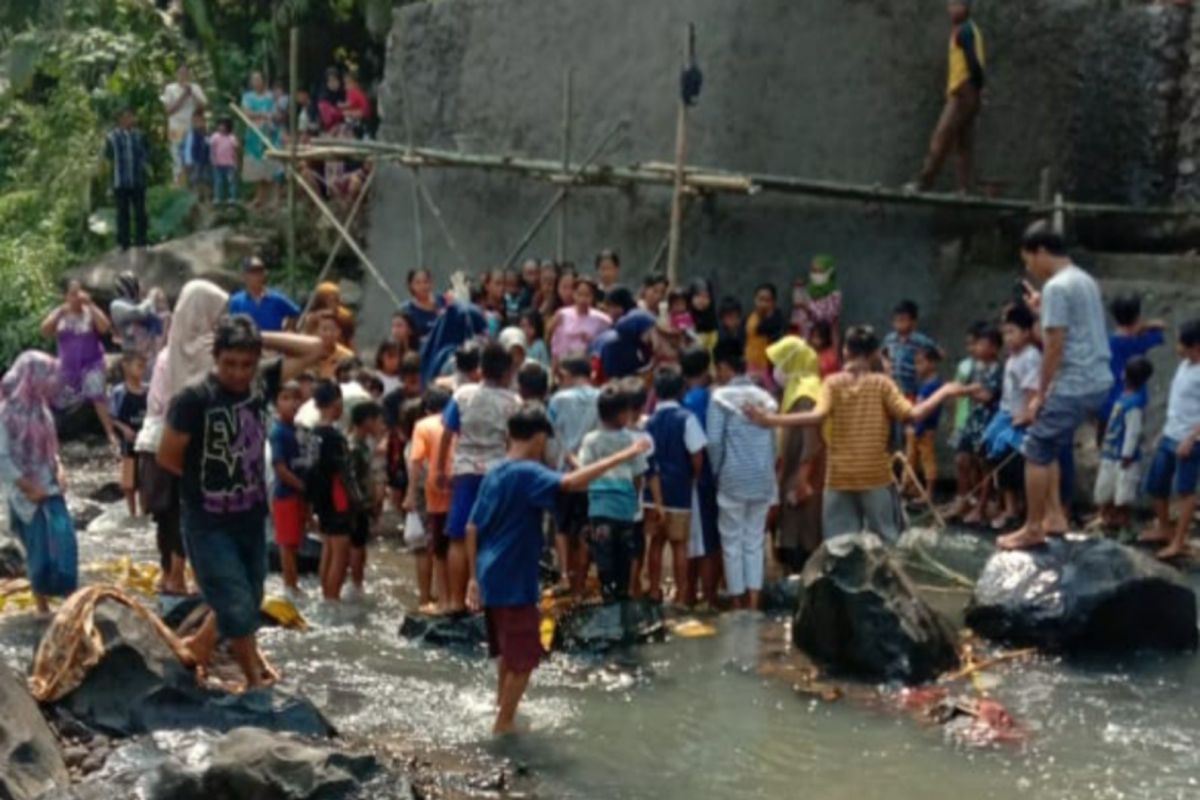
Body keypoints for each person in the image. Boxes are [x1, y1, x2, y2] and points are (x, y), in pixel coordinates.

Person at [157, 315, 326, 690]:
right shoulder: (194, 398)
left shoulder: (262, 384)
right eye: (229, 363)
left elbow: (317, 349)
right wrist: (206, 487)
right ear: (216, 359)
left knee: (250, 596)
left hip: (250, 516)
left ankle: (200, 646)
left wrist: (259, 335)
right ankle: (253, 679)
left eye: (246, 364)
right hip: (208, 519)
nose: (238, 372)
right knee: (235, 603)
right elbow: (168, 456)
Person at [466, 402, 649, 733]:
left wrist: (472, 579)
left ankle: (500, 708)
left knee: (509, 652)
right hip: (513, 579)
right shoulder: (527, 472)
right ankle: (503, 725)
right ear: (538, 439)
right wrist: (626, 455)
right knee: (525, 659)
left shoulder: (496, 471)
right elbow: (570, 484)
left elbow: (471, 528)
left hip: (490, 574)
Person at [748, 325, 962, 543]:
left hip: (840, 477)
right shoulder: (882, 384)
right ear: (873, 354)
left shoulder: (832, 383)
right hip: (875, 476)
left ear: (845, 352)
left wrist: (771, 420)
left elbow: (816, 416)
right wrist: (944, 391)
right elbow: (913, 414)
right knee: (887, 541)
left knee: (840, 546)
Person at [999, 224, 1113, 550]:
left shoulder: (1056, 288)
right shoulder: (1083, 279)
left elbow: (1054, 346)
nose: (1029, 269)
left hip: (1075, 381)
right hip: (1097, 378)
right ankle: (1054, 517)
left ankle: (1033, 527)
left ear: (1041, 252)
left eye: (1028, 260)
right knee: (1047, 444)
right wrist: (1040, 311)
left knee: (1035, 451)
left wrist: (1042, 393)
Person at [136, 280, 229, 596]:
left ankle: (169, 575)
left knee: (167, 515)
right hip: (177, 441)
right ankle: (177, 575)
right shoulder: (202, 352)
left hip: (151, 440)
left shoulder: (169, 351)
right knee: (182, 511)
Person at [438, 343, 521, 611]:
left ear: (480, 369)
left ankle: (453, 601)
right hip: (498, 474)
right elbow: (514, 442)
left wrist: (440, 469)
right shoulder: (513, 402)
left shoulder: (462, 395)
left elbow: (447, 434)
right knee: (492, 536)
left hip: (464, 472)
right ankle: (486, 602)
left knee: (459, 537)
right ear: (508, 371)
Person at [0, 353, 78, 614]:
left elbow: (51, 448)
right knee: (39, 551)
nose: (52, 381)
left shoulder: (42, 409)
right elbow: (3, 459)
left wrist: (60, 467)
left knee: (65, 541)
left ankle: (69, 603)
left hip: (51, 487)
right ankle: (42, 607)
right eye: (46, 375)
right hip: (26, 496)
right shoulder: (6, 413)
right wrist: (28, 487)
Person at [706, 341, 778, 609]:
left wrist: (716, 472)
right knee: (754, 540)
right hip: (762, 480)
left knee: (732, 541)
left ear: (725, 368)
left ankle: (738, 602)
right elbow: (774, 443)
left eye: (718, 369)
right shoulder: (766, 398)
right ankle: (755, 600)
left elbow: (714, 442)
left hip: (732, 479)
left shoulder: (720, 398)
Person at [578, 384, 656, 602]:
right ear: (622, 413)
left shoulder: (591, 440)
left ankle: (608, 603)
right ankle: (622, 606)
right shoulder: (631, 441)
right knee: (624, 559)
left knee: (605, 561)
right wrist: (633, 498)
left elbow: (584, 471)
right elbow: (639, 476)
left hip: (600, 510)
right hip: (624, 512)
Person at [644, 367, 706, 604]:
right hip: (680, 490)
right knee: (679, 544)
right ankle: (682, 593)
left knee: (656, 543)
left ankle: (653, 590)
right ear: (681, 391)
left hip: (652, 493)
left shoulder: (649, 422)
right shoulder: (687, 418)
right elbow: (697, 454)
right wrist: (693, 476)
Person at [909, 0, 985, 193]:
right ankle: (965, 188)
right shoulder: (971, 30)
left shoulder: (964, 31)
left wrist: (973, 86)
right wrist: (980, 90)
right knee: (963, 143)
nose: (950, 9)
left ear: (965, 8)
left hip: (962, 91)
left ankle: (923, 183)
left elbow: (973, 63)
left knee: (941, 137)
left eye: (955, 5)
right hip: (971, 93)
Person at [1140, 319, 1200, 560]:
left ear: (1195, 346)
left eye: (1181, 344)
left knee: (1185, 490)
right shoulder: (1185, 365)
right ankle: (1164, 527)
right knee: (1157, 483)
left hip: (1190, 439)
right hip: (1170, 433)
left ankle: (1179, 540)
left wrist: (1192, 438)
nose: (1177, 348)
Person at [766, 336, 825, 573]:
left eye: (778, 363)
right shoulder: (798, 389)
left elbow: (811, 443)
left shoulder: (805, 396)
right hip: (796, 470)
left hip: (801, 477)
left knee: (799, 535)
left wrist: (802, 482)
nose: (775, 370)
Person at [981, 304, 1042, 530]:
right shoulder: (1013, 357)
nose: (1007, 338)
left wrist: (1027, 416)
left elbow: (1032, 392)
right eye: (1005, 332)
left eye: (1012, 332)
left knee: (1013, 465)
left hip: (1019, 420)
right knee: (996, 458)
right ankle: (1007, 505)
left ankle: (1016, 509)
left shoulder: (1030, 357)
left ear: (1027, 332)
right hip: (1006, 415)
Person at [41, 281, 119, 449]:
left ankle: (110, 432)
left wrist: (90, 304)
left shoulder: (90, 312)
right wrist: (61, 311)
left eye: (78, 293)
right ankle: (45, 433)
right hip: (67, 366)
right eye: (72, 294)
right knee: (52, 395)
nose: (76, 298)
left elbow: (105, 327)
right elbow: (45, 330)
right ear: (67, 296)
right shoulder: (60, 313)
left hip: (92, 363)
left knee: (96, 390)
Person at [548, 355, 600, 596]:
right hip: (592, 472)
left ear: (568, 374)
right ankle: (581, 582)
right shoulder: (601, 397)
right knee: (584, 530)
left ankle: (564, 576)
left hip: (564, 473)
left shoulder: (558, 399)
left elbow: (549, 433)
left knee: (561, 527)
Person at [405, 387, 454, 612]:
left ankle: (432, 599)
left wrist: (410, 495)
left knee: (432, 549)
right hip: (458, 490)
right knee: (456, 544)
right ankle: (455, 597)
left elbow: (416, 463)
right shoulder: (458, 425)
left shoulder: (422, 428)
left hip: (431, 495)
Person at [1094, 357, 1153, 532]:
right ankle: (1106, 518)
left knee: (1123, 492)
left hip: (1123, 457)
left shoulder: (1134, 404)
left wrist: (1127, 454)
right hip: (1111, 453)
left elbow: (1133, 432)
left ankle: (1123, 525)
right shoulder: (1124, 397)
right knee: (1107, 488)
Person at [308, 381, 356, 600]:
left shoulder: (311, 434)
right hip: (337, 497)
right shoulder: (335, 438)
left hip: (320, 498)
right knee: (341, 552)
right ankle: (333, 597)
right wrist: (357, 499)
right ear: (336, 404)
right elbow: (344, 472)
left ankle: (326, 594)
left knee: (328, 547)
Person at [951, 321, 1002, 525]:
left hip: (988, 423)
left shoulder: (999, 371)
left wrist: (967, 390)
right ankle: (964, 500)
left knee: (985, 466)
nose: (977, 348)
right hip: (972, 421)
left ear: (994, 348)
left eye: (982, 344)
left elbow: (988, 397)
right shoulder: (975, 368)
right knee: (962, 460)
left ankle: (982, 506)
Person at [270, 380, 314, 599]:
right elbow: (280, 468)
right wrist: (302, 486)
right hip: (285, 495)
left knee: (295, 541)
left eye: (296, 398)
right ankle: (289, 585)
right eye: (285, 398)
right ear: (276, 403)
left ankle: (293, 582)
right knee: (287, 544)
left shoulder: (298, 430)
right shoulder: (278, 432)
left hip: (298, 495)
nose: (292, 403)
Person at [1101, 293, 1166, 441]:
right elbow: (1161, 328)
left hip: (1109, 400)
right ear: (1137, 317)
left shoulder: (1108, 342)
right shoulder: (1142, 340)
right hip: (1136, 401)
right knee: (1132, 440)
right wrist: (1145, 325)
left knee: (1106, 444)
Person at [348, 401, 386, 597]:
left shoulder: (363, 444)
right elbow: (352, 480)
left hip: (363, 504)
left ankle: (358, 582)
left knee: (360, 543)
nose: (380, 424)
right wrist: (361, 504)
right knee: (356, 544)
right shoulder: (354, 447)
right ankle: (355, 584)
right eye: (376, 420)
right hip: (357, 506)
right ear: (366, 421)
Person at [109, 272, 168, 379]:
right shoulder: (116, 305)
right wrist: (150, 299)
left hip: (151, 355)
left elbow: (160, 322)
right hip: (132, 356)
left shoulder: (142, 303)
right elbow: (138, 313)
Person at [104, 108, 148, 250]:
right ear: (120, 120)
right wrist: (109, 182)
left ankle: (141, 241)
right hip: (120, 180)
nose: (131, 120)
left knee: (140, 212)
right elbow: (108, 158)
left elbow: (145, 153)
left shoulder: (139, 135)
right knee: (123, 213)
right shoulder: (112, 137)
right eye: (127, 117)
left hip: (137, 179)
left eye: (131, 117)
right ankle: (124, 243)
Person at [110, 353, 148, 517]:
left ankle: (145, 510)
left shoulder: (148, 390)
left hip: (145, 440)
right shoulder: (120, 392)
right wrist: (124, 429)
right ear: (126, 366)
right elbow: (112, 417)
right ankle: (132, 513)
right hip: (128, 442)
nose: (141, 370)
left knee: (146, 479)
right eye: (138, 366)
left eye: (143, 367)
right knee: (128, 482)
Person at [160, 64, 208, 186]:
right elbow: (168, 110)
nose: (183, 76)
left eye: (186, 73)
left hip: (192, 127)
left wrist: (192, 94)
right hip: (176, 127)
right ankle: (178, 184)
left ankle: (192, 186)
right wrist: (183, 96)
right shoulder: (170, 89)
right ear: (177, 75)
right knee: (176, 156)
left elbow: (203, 106)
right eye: (181, 73)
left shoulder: (195, 88)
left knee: (191, 158)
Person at [228, 256, 302, 333]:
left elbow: (296, 313)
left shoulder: (276, 299)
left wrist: (289, 330)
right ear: (244, 276)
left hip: (274, 343)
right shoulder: (236, 301)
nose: (258, 276)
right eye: (254, 272)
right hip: (248, 343)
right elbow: (233, 326)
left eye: (261, 271)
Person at [883, 300, 939, 400]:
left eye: (903, 320)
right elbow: (883, 354)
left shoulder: (920, 341)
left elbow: (937, 353)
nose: (899, 324)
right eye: (896, 320)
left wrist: (924, 365)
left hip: (912, 389)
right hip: (893, 388)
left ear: (913, 322)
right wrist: (887, 365)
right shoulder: (890, 339)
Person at [549, 276, 611, 365]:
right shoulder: (562, 314)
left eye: (587, 295)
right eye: (579, 294)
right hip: (565, 364)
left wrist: (592, 340)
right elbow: (556, 342)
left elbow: (606, 342)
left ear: (593, 297)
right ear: (574, 294)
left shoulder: (602, 319)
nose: (583, 299)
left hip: (588, 365)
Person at [241, 71, 281, 207]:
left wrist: (269, 117)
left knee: (271, 164)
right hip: (254, 135)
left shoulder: (270, 96)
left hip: (269, 133)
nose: (256, 82)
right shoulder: (247, 97)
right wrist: (262, 114)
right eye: (253, 80)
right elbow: (246, 113)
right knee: (256, 166)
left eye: (258, 79)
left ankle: (275, 198)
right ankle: (260, 196)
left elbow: (276, 113)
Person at [744, 283, 786, 387]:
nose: (763, 304)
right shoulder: (750, 319)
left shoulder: (778, 319)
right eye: (760, 299)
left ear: (773, 302)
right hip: (751, 365)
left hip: (771, 368)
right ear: (755, 300)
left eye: (767, 300)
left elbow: (764, 329)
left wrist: (769, 316)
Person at [402, 269, 445, 344]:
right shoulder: (406, 310)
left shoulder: (443, 301)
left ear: (431, 283)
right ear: (411, 285)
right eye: (418, 283)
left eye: (426, 282)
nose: (423, 286)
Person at [180, 111, 212, 202]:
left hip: (205, 161)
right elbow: (185, 148)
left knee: (206, 180)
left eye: (200, 121)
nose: (198, 123)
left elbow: (210, 146)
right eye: (195, 121)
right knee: (193, 180)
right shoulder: (189, 134)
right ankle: (193, 201)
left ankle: (206, 199)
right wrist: (185, 161)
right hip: (193, 161)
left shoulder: (207, 133)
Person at [209, 117, 239, 204]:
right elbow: (212, 149)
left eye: (223, 125)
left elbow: (235, 150)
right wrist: (213, 159)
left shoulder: (232, 137)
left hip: (230, 164)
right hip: (218, 164)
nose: (221, 127)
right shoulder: (215, 136)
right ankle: (218, 197)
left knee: (231, 181)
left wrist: (236, 162)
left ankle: (232, 197)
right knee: (218, 182)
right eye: (220, 125)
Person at [689, 279, 718, 353]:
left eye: (705, 297)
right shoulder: (684, 318)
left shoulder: (713, 320)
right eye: (698, 296)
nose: (701, 300)